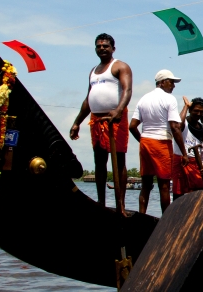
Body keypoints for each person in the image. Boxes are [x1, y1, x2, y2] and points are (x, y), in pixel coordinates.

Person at [70, 33, 133, 216]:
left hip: (115, 118)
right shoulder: (93, 71)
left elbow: (127, 90)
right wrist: (76, 123)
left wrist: (119, 111)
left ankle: (120, 205)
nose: (102, 48)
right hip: (96, 120)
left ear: (113, 48)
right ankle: (101, 203)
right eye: (98, 46)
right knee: (99, 162)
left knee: (118, 160)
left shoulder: (120, 66)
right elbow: (88, 99)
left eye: (106, 46)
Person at [128, 69, 184, 214]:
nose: (173, 86)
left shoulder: (143, 99)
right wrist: (184, 152)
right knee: (164, 185)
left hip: (146, 141)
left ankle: (141, 216)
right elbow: (175, 127)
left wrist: (142, 141)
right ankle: (166, 221)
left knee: (146, 184)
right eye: (171, 82)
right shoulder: (169, 99)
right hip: (161, 143)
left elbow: (132, 126)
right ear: (161, 82)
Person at [175, 97, 203, 196]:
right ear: (190, 110)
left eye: (201, 112)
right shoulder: (184, 124)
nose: (198, 114)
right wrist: (185, 106)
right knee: (179, 192)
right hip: (181, 161)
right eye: (196, 111)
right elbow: (178, 125)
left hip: (196, 164)